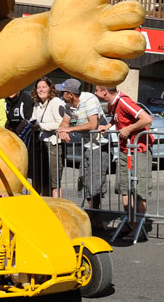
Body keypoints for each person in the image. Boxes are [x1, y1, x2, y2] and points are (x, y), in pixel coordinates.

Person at [95, 85, 153, 241]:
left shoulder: (124, 101)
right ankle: (130, 223)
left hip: (138, 150)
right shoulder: (111, 104)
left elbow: (147, 119)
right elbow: (117, 121)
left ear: (104, 91)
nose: (95, 93)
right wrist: (108, 126)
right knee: (125, 188)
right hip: (124, 150)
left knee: (139, 190)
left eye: (96, 90)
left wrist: (129, 129)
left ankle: (139, 228)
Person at [57, 78, 107, 212]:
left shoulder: (89, 99)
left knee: (95, 182)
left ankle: (96, 215)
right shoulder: (69, 105)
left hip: (100, 145)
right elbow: (64, 123)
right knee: (85, 180)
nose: (61, 95)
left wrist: (69, 129)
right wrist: (62, 131)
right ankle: (92, 213)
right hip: (87, 145)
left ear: (71, 94)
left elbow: (92, 124)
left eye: (63, 92)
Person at [29, 77, 66, 197]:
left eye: (44, 87)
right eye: (38, 87)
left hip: (53, 146)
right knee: (42, 181)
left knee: (54, 182)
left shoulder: (56, 102)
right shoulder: (38, 104)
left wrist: (41, 126)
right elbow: (33, 120)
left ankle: (59, 210)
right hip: (40, 145)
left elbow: (61, 123)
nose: (41, 90)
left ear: (50, 89)